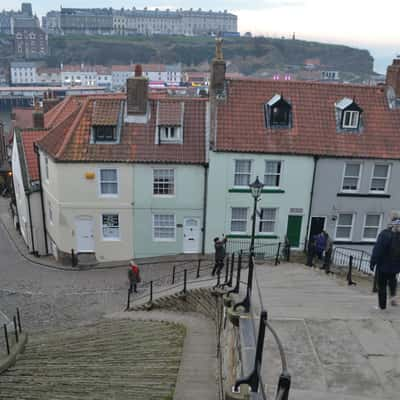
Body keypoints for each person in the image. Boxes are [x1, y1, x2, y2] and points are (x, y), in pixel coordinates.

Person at [370, 213, 400, 310]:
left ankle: (382, 306)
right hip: (395, 265)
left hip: (383, 264)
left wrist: (373, 262)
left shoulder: (384, 234)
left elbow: (378, 249)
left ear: (391, 223)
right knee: (392, 280)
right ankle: (393, 296)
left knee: (382, 285)